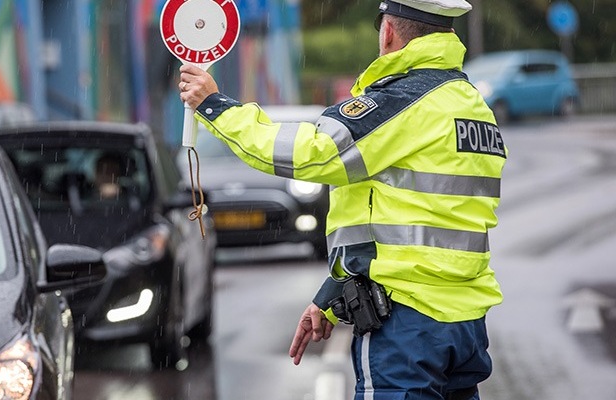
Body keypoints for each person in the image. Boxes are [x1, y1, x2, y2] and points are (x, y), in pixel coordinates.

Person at [179, 0, 506, 398]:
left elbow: (311, 152)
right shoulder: (472, 105)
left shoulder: (402, 101)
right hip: (465, 324)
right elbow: (417, 222)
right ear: (449, 32)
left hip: (408, 322)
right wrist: (332, 297)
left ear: (388, 32)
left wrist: (215, 107)